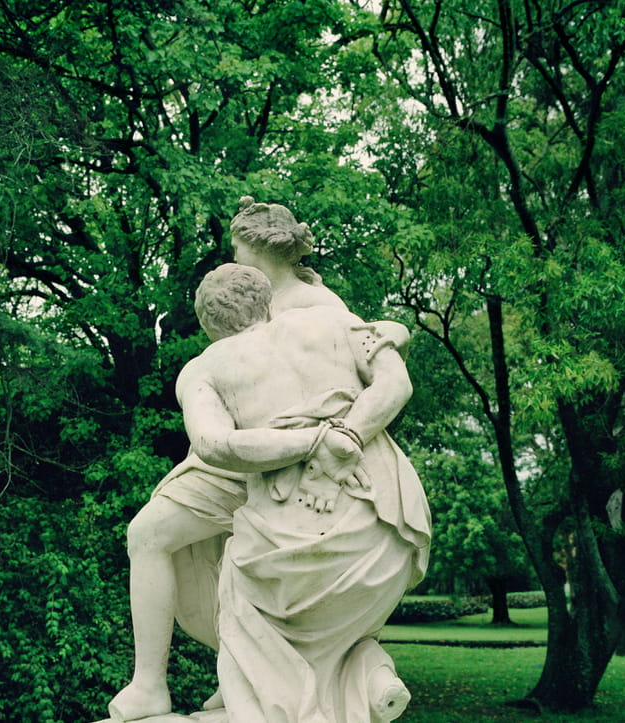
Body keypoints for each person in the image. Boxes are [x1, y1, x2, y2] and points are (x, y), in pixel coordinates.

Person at [108, 200, 409, 722]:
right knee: (174, 537)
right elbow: (380, 358)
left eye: (238, 248)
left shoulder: (312, 302)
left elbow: (376, 356)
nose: (235, 257)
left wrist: (332, 439)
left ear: (258, 251)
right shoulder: (309, 308)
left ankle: (155, 683)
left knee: (158, 536)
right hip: (285, 451)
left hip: (275, 454)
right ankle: (245, 674)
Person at [176, 264, 431, 722]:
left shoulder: (204, 368)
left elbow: (214, 445)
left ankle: (283, 704)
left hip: (298, 536)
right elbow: (397, 382)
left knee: (240, 599)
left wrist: (307, 443)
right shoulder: (332, 319)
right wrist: (343, 436)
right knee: (343, 627)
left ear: (207, 325)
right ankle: (370, 672)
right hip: (388, 523)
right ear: (267, 301)